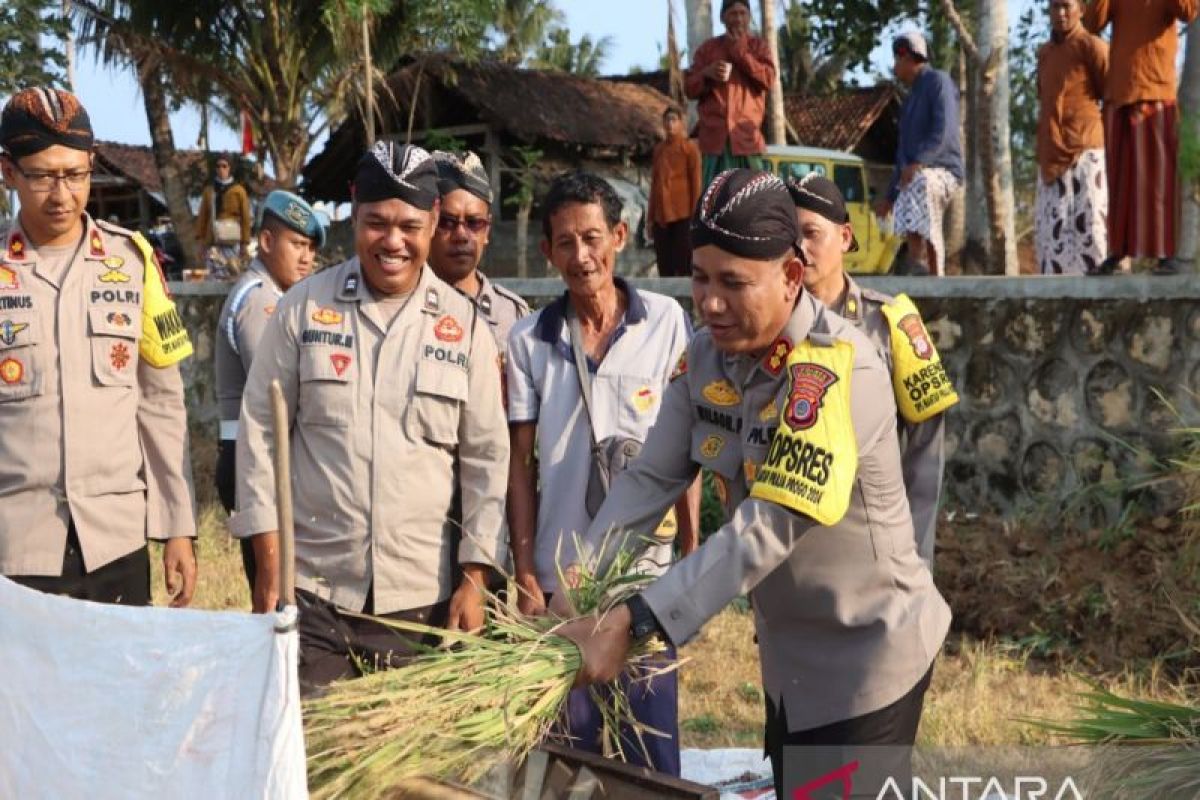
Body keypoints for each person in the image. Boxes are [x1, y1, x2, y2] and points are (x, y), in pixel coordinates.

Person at [552, 169, 951, 798]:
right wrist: (580, 579)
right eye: (700, 278)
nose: (710, 303)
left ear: (791, 276)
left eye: (733, 282)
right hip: (788, 654)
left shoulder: (836, 367)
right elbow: (652, 477)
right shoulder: (706, 355)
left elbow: (768, 525)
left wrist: (635, 619)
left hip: (865, 653)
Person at [232, 142, 509, 695]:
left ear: (431, 222)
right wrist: (268, 567)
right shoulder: (304, 309)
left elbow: (487, 459)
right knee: (315, 764)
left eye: (408, 224)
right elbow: (260, 434)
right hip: (314, 594)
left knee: (412, 775)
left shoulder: (466, 328)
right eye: (376, 222)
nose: (393, 241)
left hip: (420, 603)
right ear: (354, 216)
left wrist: (476, 577)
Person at [506, 171, 700, 775]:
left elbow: (687, 446)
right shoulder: (527, 340)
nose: (581, 256)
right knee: (569, 753)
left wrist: (691, 551)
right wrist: (524, 571)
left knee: (650, 752)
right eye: (565, 243)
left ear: (619, 236)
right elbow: (519, 464)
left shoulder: (666, 321)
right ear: (547, 252)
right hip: (562, 579)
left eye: (592, 237)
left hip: (644, 578)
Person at [0, 87, 197, 607]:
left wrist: (178, 526)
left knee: (121, 686)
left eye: (75, 174)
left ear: (91, 165)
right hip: (15, 545)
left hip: (116, 544)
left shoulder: (135, 263)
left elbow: (161, 403)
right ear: (8, 172)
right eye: (42, 175)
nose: (61, 194)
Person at [787, 173, 958, 569]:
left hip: (874, 544)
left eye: (812, 233)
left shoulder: (891, 323)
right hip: (792, 550)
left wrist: (915, 559)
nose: (799, 248)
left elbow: (926, 452)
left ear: (845, 237)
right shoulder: (768, 330)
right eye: (788, 236)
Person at [214, 189, 325, 590]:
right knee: (274, 591)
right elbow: (278, 391)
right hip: (254, 455)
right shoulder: (260, 300)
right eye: (296, 244)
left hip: (262, 453)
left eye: (311, 247)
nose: (306, 257)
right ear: (265, 241)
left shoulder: (275, 296)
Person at [1084, 0, 1198, 275]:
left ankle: (1164, 254)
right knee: (1119, 180)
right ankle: (1118, 251)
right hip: (1118, 93)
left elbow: (1189, 11)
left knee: (1158, 179)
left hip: (1155, 90)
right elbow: (1091, 23)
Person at [875, 31, 964, 277]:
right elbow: (902, 155)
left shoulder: (938, 81)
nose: (894, 66)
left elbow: (943, 130)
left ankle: (931, 267)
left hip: (945, 170)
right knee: (911, 183)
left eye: (897, 59)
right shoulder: (909, 101)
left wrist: (919, 162)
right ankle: (915, 264)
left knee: (919, 181)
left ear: (910, 57)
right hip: (917, 173)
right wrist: (889, 197)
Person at [429, 150, 529, 365]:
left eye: (474, 223)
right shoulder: (405, 305)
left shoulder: (513, 315)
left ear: (487, 231)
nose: (461, 236)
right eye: (447, 222)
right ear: (427, 224)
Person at [1036, 0, 1110, 275]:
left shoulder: (1092, 46)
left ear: (1081, 9)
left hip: (1086, 152)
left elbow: (1111, 94)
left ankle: (1098, 309)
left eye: (1067, 6)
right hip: (1051, 156)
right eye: (1055, 7)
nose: (1061, 13)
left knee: (1091, 231)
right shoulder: (1044, 53)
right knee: (1052, 240)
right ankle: (1057, 310)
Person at [685, 0, 776, 187]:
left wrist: (740, 53)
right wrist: (707, 74)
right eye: (733, 14)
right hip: (714, 141)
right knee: (714, 200)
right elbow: (689, 88)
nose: (738, 19)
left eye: (743, 13)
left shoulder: (759, 47)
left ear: (749, 18)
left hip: (747, 139)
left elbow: (768, 80)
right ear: (722, 17)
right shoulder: (708, 49)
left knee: (753, 198)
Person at [648, 106, 702, 277]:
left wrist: (696, 216)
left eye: (673, 120)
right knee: (664, 265)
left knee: (684, 262)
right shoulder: (659, 150)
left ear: (681, 123)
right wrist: (650, 219)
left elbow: (696, 184)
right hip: (661, 216)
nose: (670, 124)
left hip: (684, 215)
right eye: (667, 120)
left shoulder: (689, 149)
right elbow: (654, 185)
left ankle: (686, 302)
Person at [195, 154, 252, 280]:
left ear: (230, 168)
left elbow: (246, 218)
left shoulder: (239, 191)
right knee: (213, 276)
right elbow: (202, 217)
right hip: (213, 241)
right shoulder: (209, 191)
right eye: (218, 166)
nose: (221, 169)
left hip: (232, 241)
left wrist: (244, 243)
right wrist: (200, 242)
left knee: (234, 275)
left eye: (224, 166)